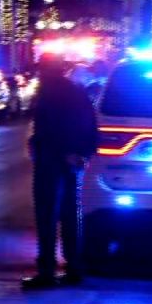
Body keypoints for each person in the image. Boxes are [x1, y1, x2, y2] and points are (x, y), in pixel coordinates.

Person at [23, 54, 99, 289]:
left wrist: (58, 149)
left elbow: (51, 127)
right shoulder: (75, 90)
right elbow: (90, 124)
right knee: (69, 213)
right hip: (70, 160)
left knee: (46, 215)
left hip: (51, 159)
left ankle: (47, 270)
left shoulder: (50, 92)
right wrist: (82, 153)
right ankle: (73, 265)